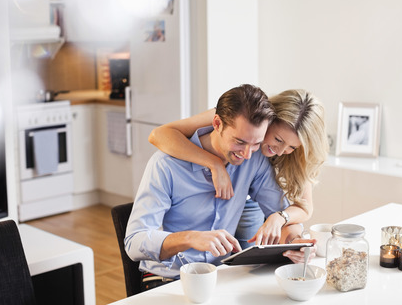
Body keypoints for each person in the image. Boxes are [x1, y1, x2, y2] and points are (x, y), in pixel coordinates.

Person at [125, 85, 316, 290]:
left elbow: (281, 213)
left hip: (221, 276)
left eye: (255, 144)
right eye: (239, 142)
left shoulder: (255, 161)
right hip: (168, 279)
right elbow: (134, 243)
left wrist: (296, 242)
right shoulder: (165, 165)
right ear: (217, 123)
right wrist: (190, 238)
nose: (247, 154)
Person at [149, 89, 329, 251]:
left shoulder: (297, 155)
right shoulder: (237, 117)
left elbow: (303, 209)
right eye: (278, 139)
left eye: (292, 147)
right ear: (268, 120)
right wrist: (215, 164)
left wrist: (280, 219)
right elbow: (159, 135)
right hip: (238, 189)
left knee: (247, 254)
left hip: (256, 193)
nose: (281, 151)